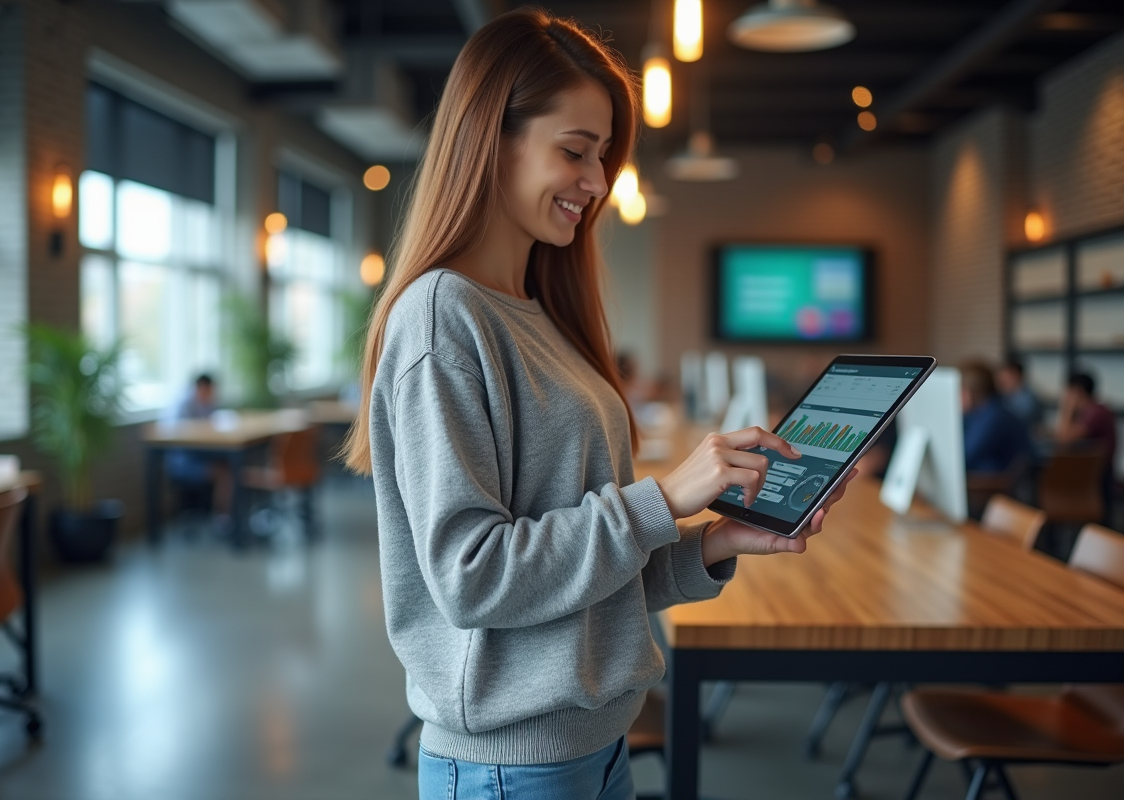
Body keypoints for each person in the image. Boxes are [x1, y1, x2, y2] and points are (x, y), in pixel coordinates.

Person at [340, 10, 855, 799]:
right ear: (491, 138)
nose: (597, 181)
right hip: (514, 766)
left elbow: (582, 589)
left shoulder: (542, 312)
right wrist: (662, 497)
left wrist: (714, 544)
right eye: (575, 151)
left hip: (592, 747)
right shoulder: (443, 317)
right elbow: (472, 580)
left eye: (604, 155)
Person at [165, 374, 232, 521]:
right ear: (199, 388)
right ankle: (222, 518)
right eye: (207, 391)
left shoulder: (208, 405)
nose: (210, 395)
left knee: (228, 463)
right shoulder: (182, 407)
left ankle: (227, 514)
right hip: (183, 462)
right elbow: (181, 441)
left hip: (201, 455)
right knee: (223, 471)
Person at [1056, 371, 1118, 522]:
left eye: (1069, 392)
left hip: (1095, 480)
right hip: (1089, 477)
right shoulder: (1091, 411)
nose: (1066, 396)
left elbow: (1064, 438)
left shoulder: (1096, 413)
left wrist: (1067, 408)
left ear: (1078, 392)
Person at [961, 361, 1032, 475]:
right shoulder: (984, 412)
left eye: (959, 390)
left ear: (972, 391)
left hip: (993, 487)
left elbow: (964, 457)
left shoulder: (993, 417)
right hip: (987, 483)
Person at [995, 357, 1043, 432]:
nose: (1001, 382)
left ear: (1016, 375)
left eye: (1005, 378)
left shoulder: (1028, 400)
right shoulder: (1005, 397)